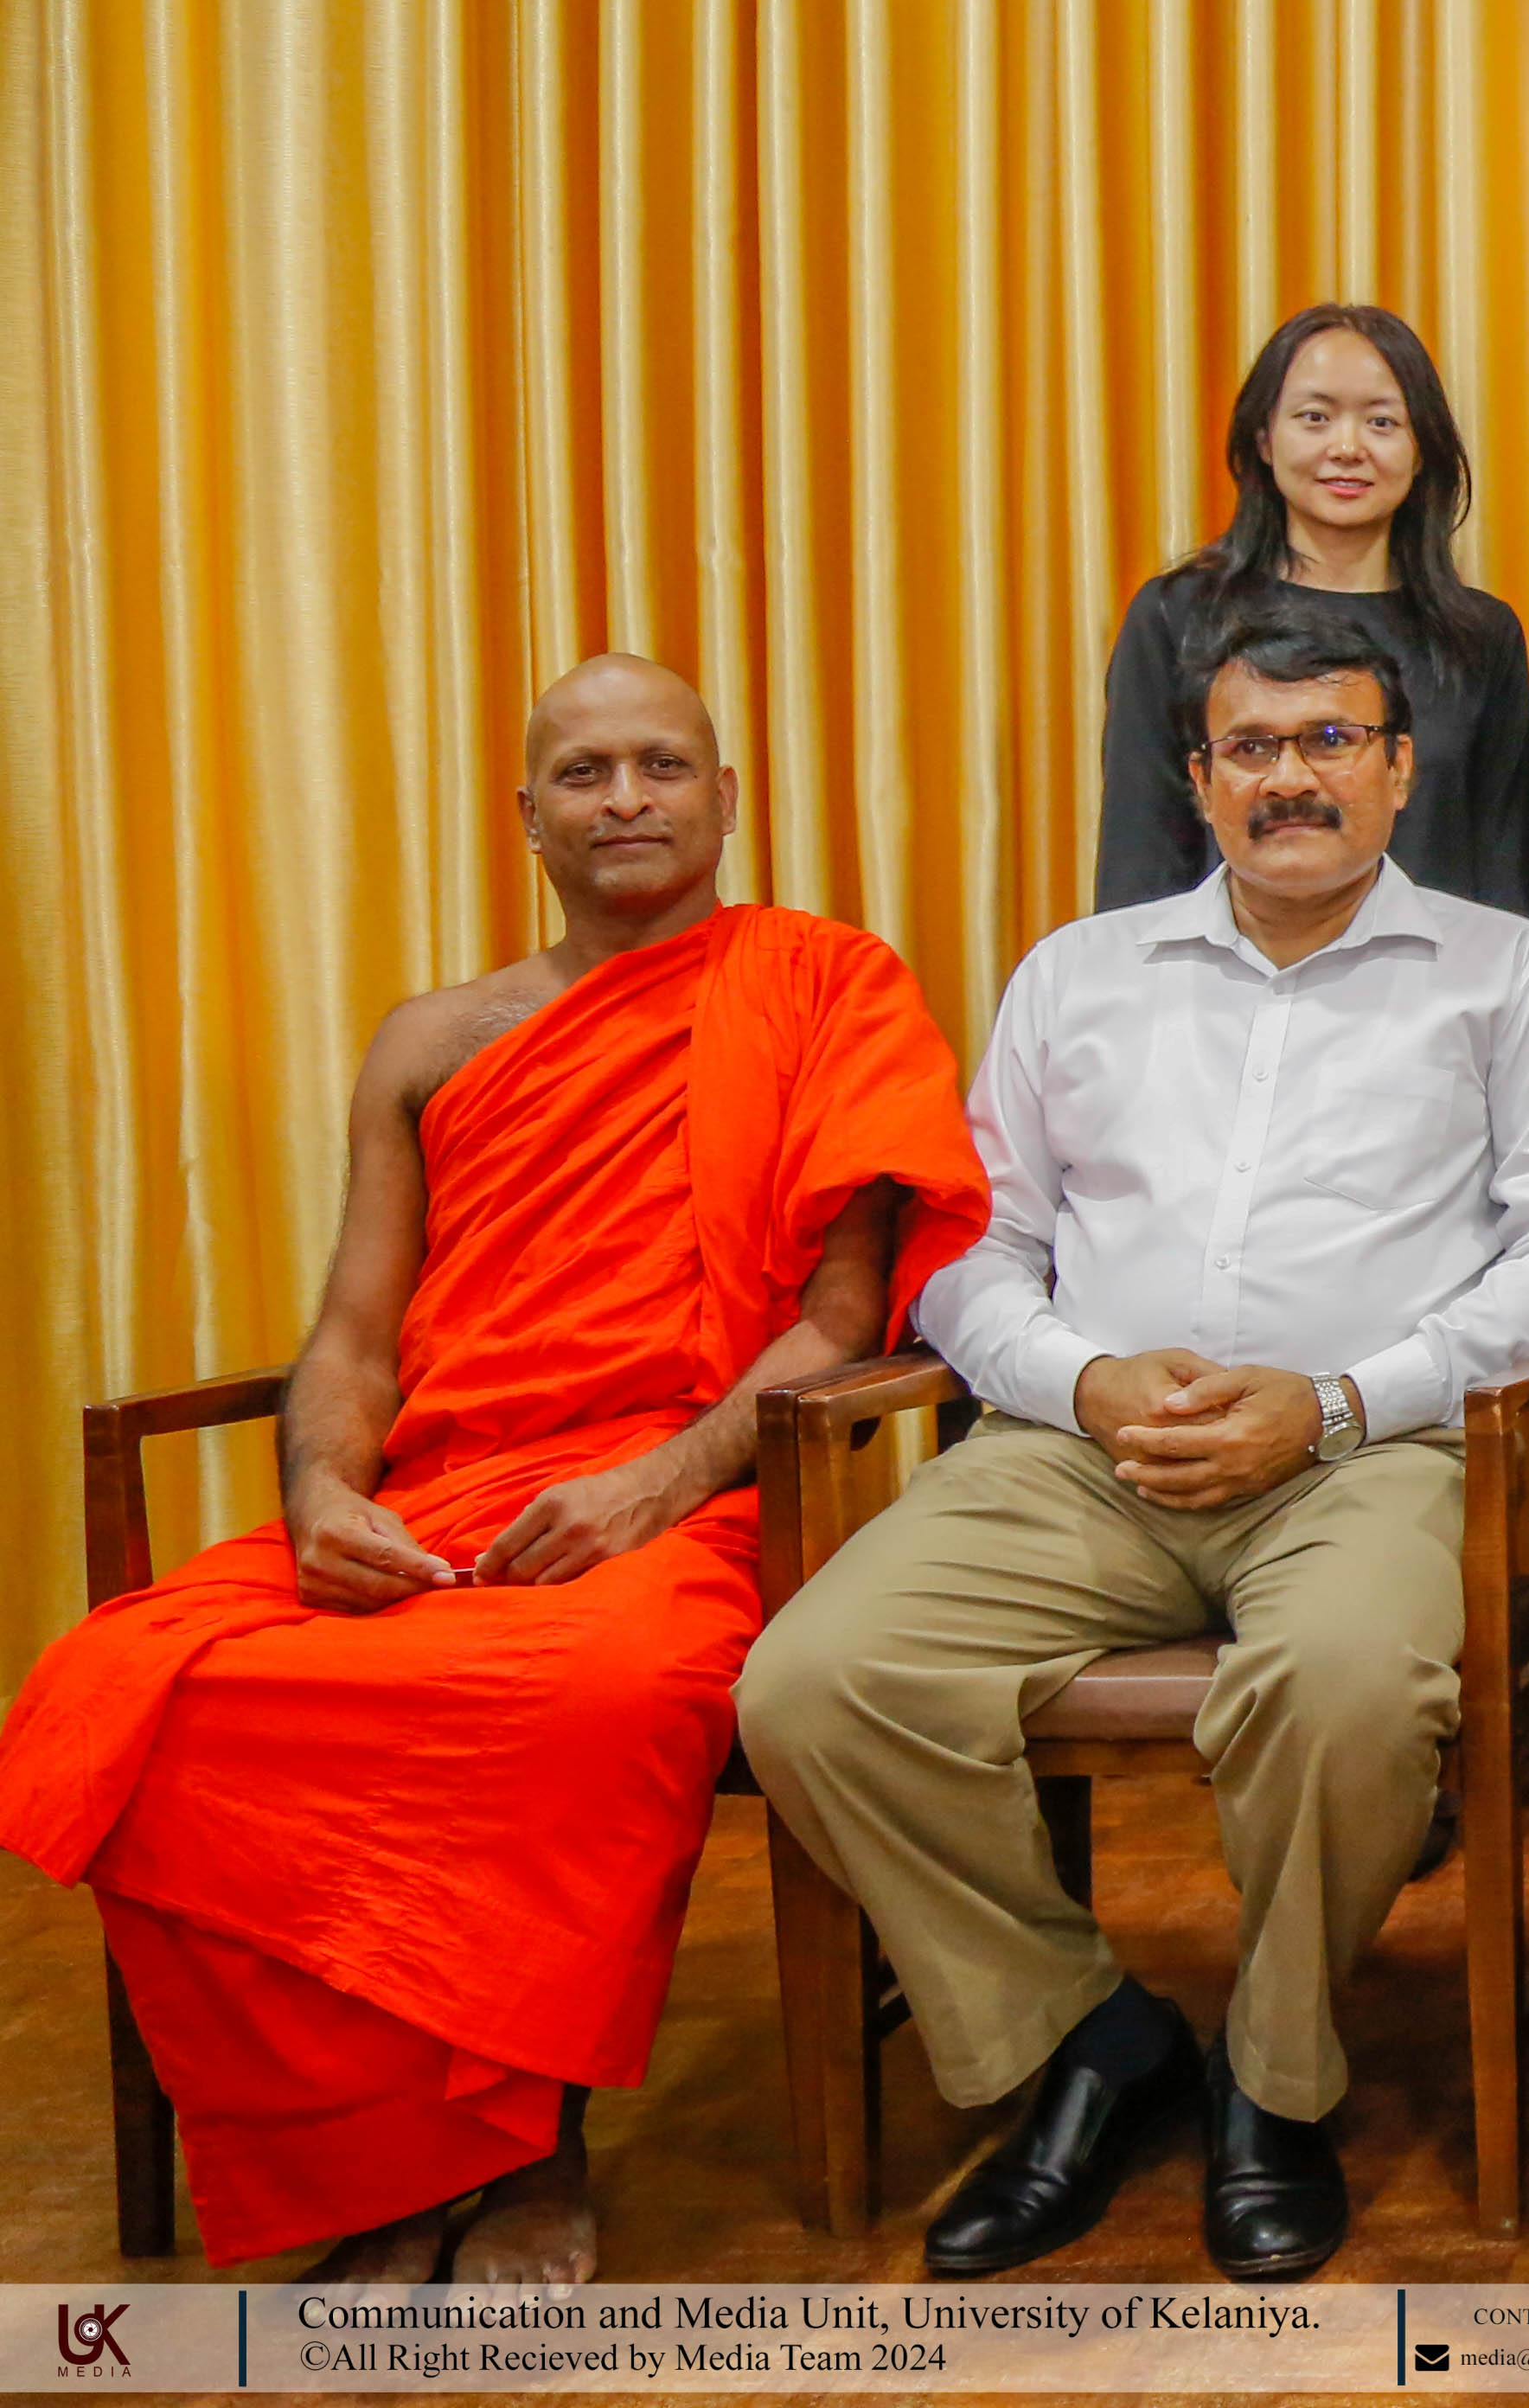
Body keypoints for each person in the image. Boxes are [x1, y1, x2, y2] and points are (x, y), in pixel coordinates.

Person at [0, 656, 986, 2283]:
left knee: (581, 1693)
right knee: (132, 1686)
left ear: (727, 799)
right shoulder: (433, 1038)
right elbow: (353, 1336)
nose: (625, 799)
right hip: (447, 1494)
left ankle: (525, 2144)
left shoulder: (821, 985)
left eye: (663, 765)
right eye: (584, 772)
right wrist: (323, 1490)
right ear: (526, 815)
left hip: (699, 1497)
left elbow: (837, 1321)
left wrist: (657, 1484)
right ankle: (379, 2165)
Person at [736, 597, 1529, 2283]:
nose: (1288, 780)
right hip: (1081, 1453)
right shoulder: (1077, 974)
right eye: (1251, 749)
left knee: (1349, 1690)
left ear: (1395, 772)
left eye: (1326, 746)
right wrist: (1079, 1380)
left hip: (1371, 1454)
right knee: (812, 1682)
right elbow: (970, 1254)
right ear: (1197, 776)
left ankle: (1272, 2080)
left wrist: (1346, 1392)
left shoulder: (1503, 973)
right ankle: (1082, 2037)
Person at [1097, 304, 1529, 913]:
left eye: (1382, 423)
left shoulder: (1479, 633)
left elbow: (1505, 857)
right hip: (1224, 992)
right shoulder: (1179, 616)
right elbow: (1140, 850)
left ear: (1422, 450)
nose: (1347, 447)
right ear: (1263, 437)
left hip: (1435, 991)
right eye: (1314, 417)